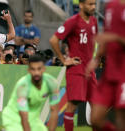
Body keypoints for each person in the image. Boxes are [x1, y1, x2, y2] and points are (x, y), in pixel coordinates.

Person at [49, 0, 97, 130]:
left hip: (90, 70)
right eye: (90, 4)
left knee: (97, 104)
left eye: (94, 4)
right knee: (72, 105)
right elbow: (53, 40)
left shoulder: (94, 21)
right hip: (76, 69)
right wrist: (64, 60)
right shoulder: (73, 21)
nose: (93, 7)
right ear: (81, 5)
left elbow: (92, 43)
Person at [86, 0, 125, 130]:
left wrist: (115, 38)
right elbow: (105, 39)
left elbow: (111, 37)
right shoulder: (110, 6)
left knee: (120, 117)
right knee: (95, 119)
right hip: (109, 73)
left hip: (123, 73)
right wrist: (96, 59)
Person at [2, 54, 60, 131]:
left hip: (33, 120)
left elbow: (54, 111)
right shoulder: (23, 86)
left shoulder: (52, 83)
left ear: (44, 69)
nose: (36, 73)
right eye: (33, 69)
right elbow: (23, 115)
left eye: (39, 69)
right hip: (13, 117)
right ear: (28, 70)